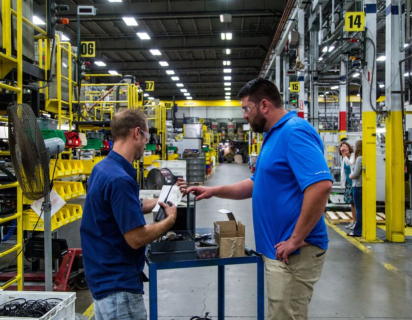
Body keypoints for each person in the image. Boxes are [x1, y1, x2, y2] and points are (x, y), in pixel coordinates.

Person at [187, 78, 332, 320]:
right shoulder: (272, 136)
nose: (244, 115)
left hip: (294, 254)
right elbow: (256, 184)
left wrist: (296, 239)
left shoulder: (294, 132)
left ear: (264, 105)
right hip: (280, 251)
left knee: (286, 315)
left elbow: (321, 186)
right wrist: (214, 190)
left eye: (246, 108)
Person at [80, 109, 186, 320]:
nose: (146, 144)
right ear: (136, 133)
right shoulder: (120, 179)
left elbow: (128, 206)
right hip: (119, 290)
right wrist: (170, 220)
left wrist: (164, 198)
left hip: (103, 282)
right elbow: (136, 238)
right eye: (146, 137)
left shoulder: (102, 169)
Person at [338, 141, 356, 229]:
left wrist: (344, 155)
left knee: (356, 203)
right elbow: (343, 171)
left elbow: (350, 164)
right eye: (343, 148)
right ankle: (354, 221)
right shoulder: (343, 158)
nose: (345, 149)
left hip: (355, 183)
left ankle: (357, 222)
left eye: (346, 147)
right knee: (352, 203)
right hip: (349, 183)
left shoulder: (353, 156)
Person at [348, 140, 363, 237]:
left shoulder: (360, 159)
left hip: (357, 186)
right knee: (360, 209)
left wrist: (350, 176)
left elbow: (355, 174)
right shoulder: (361, 158)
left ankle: (357, 231)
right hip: (361, 186)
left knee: (359, 209)